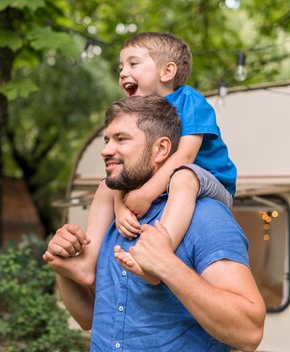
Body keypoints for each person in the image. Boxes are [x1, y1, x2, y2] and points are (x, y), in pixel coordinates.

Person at [51, 95, 265, 351]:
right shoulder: (114, 216)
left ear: (161, 149)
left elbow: (249, 332)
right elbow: (89, 318)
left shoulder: (205, 218)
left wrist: (167, 265)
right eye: (106, 140)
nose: (106, 150)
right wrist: (64, 271)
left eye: (121, 139)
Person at [43, 32, 236, 286]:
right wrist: (120, 206)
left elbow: (186, 155)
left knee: (184, 177)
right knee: (105, 184)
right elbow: (124, 172)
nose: (123, 72)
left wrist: (145, 195)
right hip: (167, 179)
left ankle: (157, 259)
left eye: (133, 64)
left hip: (209, 181)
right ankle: (88, 262)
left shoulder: (190, 101)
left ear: (167, 72)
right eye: (121, 67)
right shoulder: (137, 114)